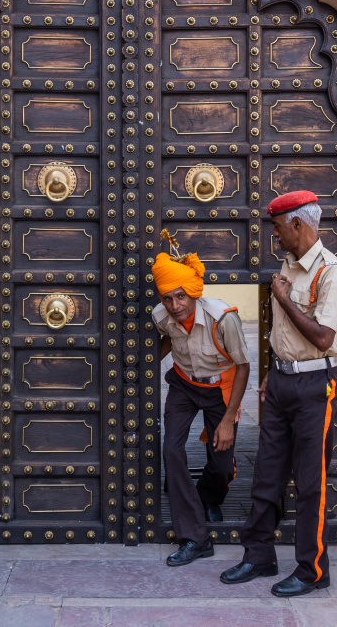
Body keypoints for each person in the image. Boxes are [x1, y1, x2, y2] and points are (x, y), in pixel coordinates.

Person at [220, 190, 337, 597]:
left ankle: (312, 570)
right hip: (280, 383)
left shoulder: (331, 272)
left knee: (311, 481)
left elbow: (324, 336)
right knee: (267, 472)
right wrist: (272, 373)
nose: (273, 236)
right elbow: (281, 334)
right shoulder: (288, 265)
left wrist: (282, 299)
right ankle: (258, 555)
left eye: (277, 228)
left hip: (314, 385)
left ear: (298, 224)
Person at [152, 236, 250, 567]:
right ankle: (194, 536)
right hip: (183, 385)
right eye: (168, 298)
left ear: (193, 292)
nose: (176, 305)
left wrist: (228, 419)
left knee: (221, 460)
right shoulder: (161, 315)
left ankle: (208, 495)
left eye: (181, 296)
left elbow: (243, 366)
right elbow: (168, 339)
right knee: (171, 451)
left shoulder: (224, 319)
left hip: (220, 387)